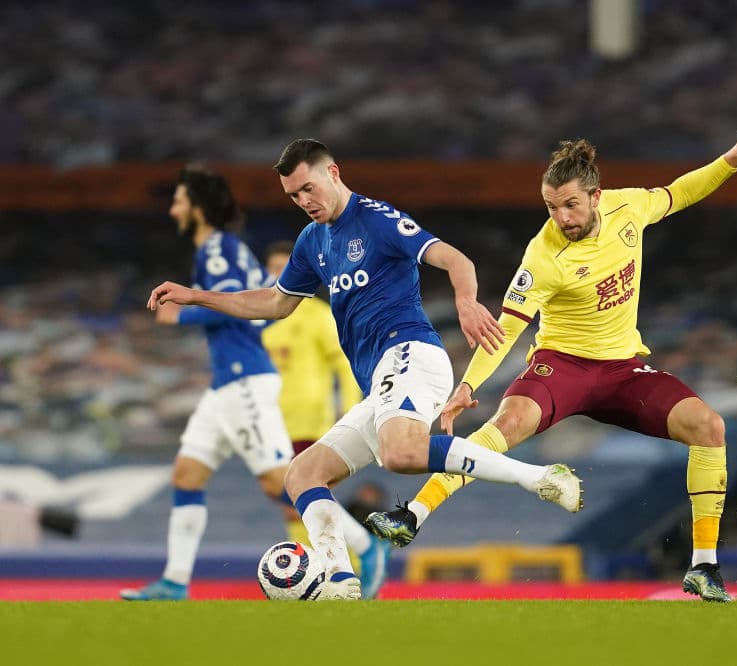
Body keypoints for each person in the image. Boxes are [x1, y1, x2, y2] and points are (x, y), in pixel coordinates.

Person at [148, 139, 584, 601]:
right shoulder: (312, 241)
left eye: (309, 189)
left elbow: (455, 259)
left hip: (413, 353)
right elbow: (275, 303)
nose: (304, 202)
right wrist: (199, 296)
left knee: (401, 453)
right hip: (381, 381)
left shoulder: (376, 219)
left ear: (333, 173)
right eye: (294, 196)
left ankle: (538, 478)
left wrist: (465, 301)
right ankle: (340, 579)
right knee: (302, 476)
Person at [366, 122, 737, 602]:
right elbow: (508, 326)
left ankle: (704, 568)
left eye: (569, 205)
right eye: (550, 206)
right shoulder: (543, 255)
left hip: (623, 370)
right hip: (561, 368)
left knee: (709, 427)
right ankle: (412, 515)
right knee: (504, 427)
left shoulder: (628, 207)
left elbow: (679, 192)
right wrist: (467, 385)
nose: (561, 217)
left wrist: (731, 157)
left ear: (595, 195)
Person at [122, 166, 296, 601]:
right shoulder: (233, 250)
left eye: (179, 200)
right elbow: (257, 307)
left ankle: (363, 547)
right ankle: (175, 582)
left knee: (280, 484)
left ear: (198, 209)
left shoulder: (216, 250)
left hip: (244, 381)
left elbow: (232, 306)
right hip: (227, 386)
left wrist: (182, 312)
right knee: (186, 474)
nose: (173, 208)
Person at [261, 241, 392, 599]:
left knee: (299, 489)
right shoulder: (265, 323)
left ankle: (355, 555)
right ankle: (317, 576)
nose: (276, 276)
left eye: (282, 268)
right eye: (271, 269)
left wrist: (350, 406)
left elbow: (343, 362)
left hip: (309, 418)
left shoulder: (318, 315)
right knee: (288, 498)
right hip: (272, 423)